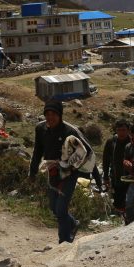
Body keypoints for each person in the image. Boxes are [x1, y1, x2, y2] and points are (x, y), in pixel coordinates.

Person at [28, 100, 96, 244]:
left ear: (60, 115)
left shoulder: (71, 131)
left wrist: (73, 167)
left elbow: (87, 151)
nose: (50, 117)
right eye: (47, 114)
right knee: (54, 208)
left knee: (60, 208)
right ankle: (72, 223)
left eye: (54, 114)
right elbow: (37, 151)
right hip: (51, 172)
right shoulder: (40, 129)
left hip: (69, 174)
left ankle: (64, 241)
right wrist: (32, 173)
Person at [101, 118, 131, 216]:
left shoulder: (132, 142)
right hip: (116, 177)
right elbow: (105, 160)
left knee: (129, 200)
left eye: (124, 130)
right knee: (117, 201)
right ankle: (122, 220)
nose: (122, 132)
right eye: (119, 130)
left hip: (130, 177)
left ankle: (129, 219)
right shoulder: (111, 142)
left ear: (128, 130)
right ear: (116, 130)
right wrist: (105, 177)